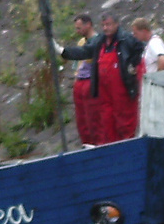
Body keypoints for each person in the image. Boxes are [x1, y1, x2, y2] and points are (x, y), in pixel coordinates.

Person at [60, 14, 143, 144]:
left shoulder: (126, 39)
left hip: (122, 93)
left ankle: (127, 152)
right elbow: (84, 51)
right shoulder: (100, 42)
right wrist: (63, 52)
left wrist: (132, 67)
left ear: (116, 24)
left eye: (108, 25)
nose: (105, 28)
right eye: (103, 25)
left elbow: (140, 48)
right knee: (106, 123)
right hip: (105, 94)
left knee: (124, 124)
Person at [60, 14, 99, 146]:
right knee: (81, 118)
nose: (77, 31)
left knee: (92, 117)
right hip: (80, 81)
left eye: (79, 28)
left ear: (88, 25)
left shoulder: (98, 41)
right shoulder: (82, 42)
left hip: (90, 81)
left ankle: (95, 143)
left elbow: (83, 54)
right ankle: (86, 143)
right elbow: (78, 64)